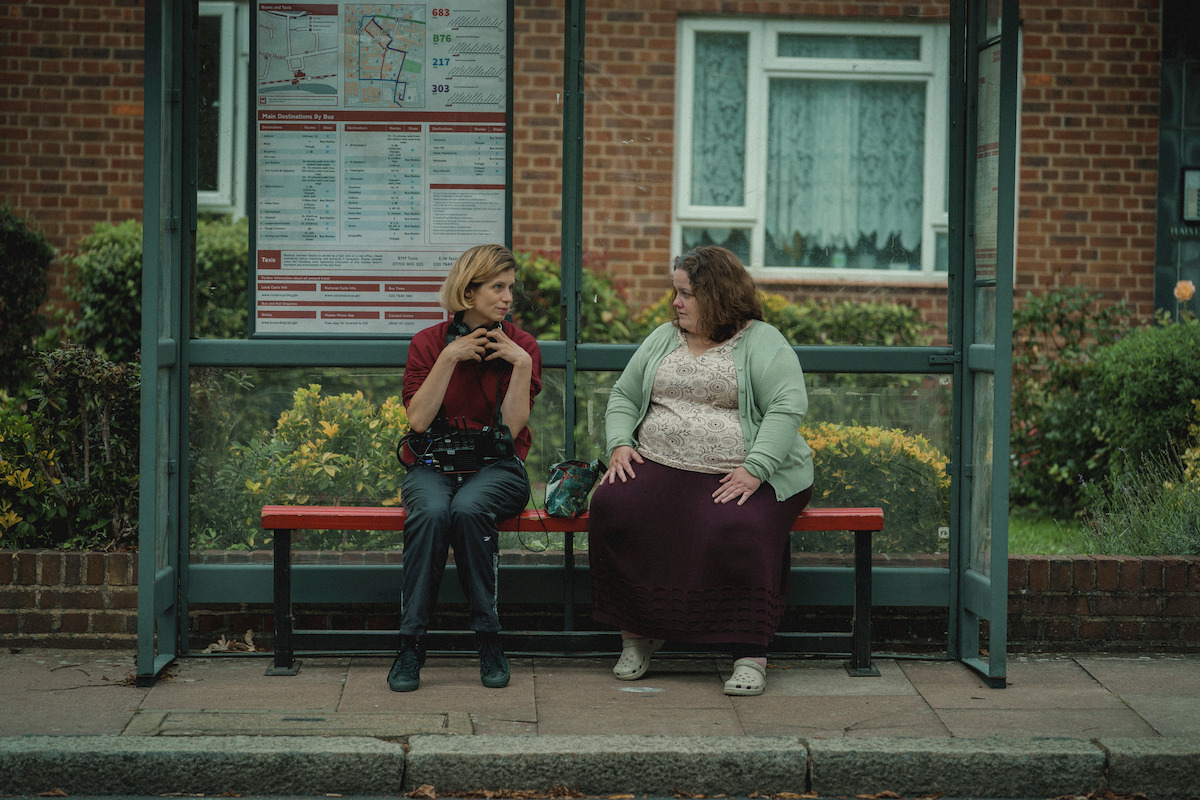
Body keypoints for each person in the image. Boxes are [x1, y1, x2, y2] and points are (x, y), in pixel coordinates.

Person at [587, 245, 814, 697]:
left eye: (686, 294)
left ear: (718, 295)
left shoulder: (763, 341)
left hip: (746, 469)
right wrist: (619, 445)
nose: (676, 303)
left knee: (737, 526)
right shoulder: (662, 338)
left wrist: (757, 468)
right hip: (662, 461)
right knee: (614, 505)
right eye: (676, 292)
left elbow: (787, 408)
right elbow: (624, 396)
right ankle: (637, 633)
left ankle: (750, 652)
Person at [390, 244, 542, 692]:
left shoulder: (523, 347)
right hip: (434, 463)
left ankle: (488, 639)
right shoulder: (428, 343)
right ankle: (411, 645)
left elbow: (512, 429)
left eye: (510, 288)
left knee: (469, 509)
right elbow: (417, 420)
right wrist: (450, 356)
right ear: (468, 291)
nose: (507, 297)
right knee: (434, 512)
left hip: (497, 466)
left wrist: (521, 364)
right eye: (497, 287)